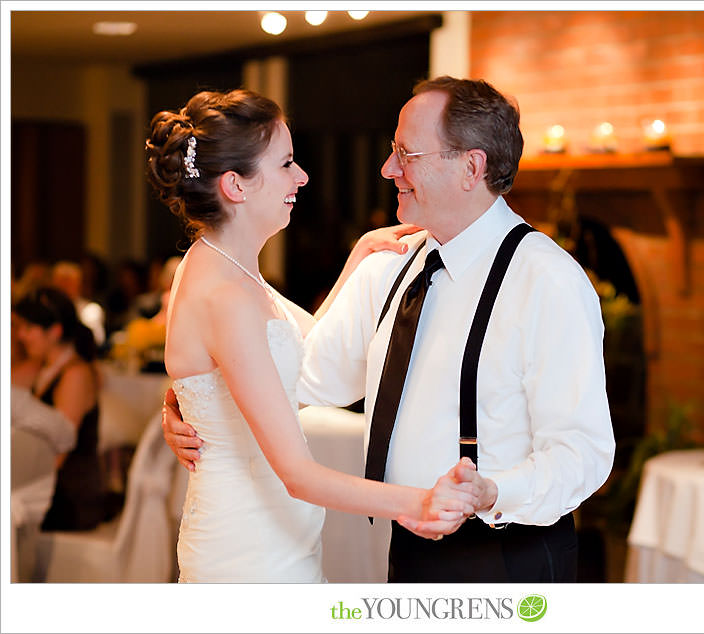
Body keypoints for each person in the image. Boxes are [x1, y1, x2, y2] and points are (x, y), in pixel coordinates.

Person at [164, 76, 615, 583]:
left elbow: (583, 453)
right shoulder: (390, 263)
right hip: (409, 546)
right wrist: (193, 394)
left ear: (471, 166)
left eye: (406, 154)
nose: (387, 169)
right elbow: (304, 373)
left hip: (507, 554)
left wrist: (492, 491)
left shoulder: (546, 280)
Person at [145, 88, 477, 583]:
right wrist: (419, 502)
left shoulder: (224, 265)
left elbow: (299, 354)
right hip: (248, 554)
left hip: (274, 535)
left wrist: (358, 256)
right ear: (236, 185)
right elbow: (298, 475)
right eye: (286, 164)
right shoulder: (225, 295)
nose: (301, 177)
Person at [12, 286, 105, 531]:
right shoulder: (43, 367)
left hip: (69, 495)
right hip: (48, 485)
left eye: (28, 328)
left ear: (54, 331)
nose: (21, 335)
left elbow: (61, 450)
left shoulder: (76, 374)